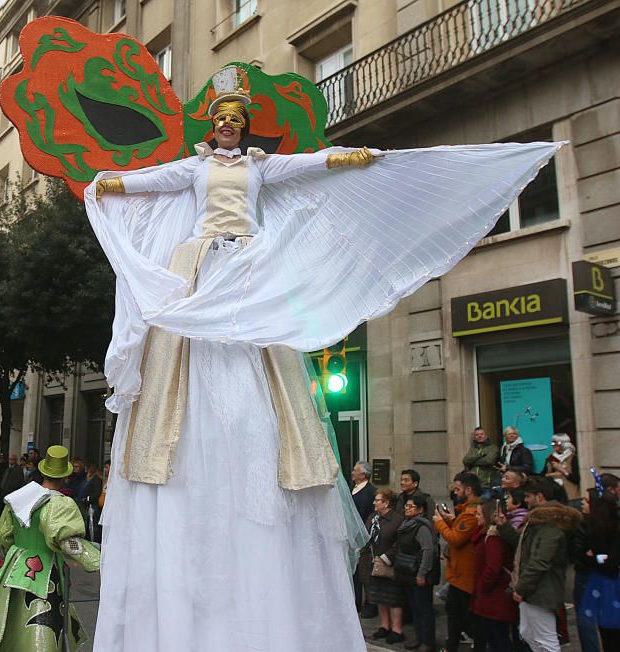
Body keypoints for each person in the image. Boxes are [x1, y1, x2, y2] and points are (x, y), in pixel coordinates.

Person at [88, 66, 560, 650]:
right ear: (213, 127)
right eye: (222, 122)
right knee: (179, 374)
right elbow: (154, 181)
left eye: (237, 122)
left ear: (245, 128)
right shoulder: (195, 167)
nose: (230, 129)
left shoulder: (261, 166)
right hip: (202, 268)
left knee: (267, 382)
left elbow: (305, 166)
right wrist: (112, 184)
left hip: (250, 274)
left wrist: (348, 158)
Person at [0, 445, 100, 651]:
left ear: (42, 471)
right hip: (43, 572)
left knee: (11, 620)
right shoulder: (60, 504)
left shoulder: (20, 498)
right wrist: (98, 560)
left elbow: (5, 535)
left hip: (14, 566)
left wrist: (12, 556)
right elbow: (67, 541)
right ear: (65, 476)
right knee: (41, 622)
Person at [496, 476, 581, 652]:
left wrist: (521, 588)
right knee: (528, 633)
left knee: (546, 639)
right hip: (533, 589)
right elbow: (523, 545)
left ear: (540, 496)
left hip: (542, 591)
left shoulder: (550, 525)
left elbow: (540, 561)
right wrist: (504, 527)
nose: (525, 501)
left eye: (528, 496)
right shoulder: (538, 522)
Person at [433, 471, 482, 652]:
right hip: (459, 575)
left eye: (458, 488)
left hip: (465, 575)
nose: (455, 492)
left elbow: (455, 538)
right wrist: (451, 520)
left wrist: (440, 523)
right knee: (454, 613)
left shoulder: (471, 514)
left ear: (468, 490)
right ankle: (451, 646)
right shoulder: (466, 512)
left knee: (465, 616)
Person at [572, 485, 619, 652]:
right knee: (604, 632)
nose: (582, 504)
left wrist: (596, 557)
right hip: (598, 585)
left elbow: (611, 564)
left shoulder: (615, 530)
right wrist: (597, 557)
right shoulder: (588, 527)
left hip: (612, 586)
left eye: (586, 501)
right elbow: (581, 554)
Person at [470, 498, 518, 652]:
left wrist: (482, 587)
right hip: (491, 597)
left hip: (494, 597)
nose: (476, 517)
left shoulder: (494, 538)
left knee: (498, 639)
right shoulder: (486, 535)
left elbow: (494, 568)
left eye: (479, 514)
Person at [395, 494, 439, 652]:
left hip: (418, 572)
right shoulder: (406, 524)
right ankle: (419, 637)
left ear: (420, 510)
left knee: (424, 608)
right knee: (414, 607)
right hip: (407, 571)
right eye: (406, 506)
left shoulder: (422, 527)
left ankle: (428, 641)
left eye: (411, 506)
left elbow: (428, 551)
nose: (407, 509)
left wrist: (422, 573)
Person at [364, 489, 406, 645]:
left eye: (378, 500)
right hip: (374, 563)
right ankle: (384, 626)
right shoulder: (374, 518)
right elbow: (366, 535)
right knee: (379, 597)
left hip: (390, 563)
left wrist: (386, 557)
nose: (374, 502)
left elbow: (400, 543)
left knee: (393, 598)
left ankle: (397, 630)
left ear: (386, 503)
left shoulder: (398, 520)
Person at [351, 461, 377, 617]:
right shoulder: (352, 489)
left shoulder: (371, 492)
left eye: (355, 471)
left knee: (365, 572)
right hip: (352, 535)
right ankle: (356, 601)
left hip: (365, 537)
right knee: (355, 572)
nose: (352, 473)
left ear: (363, 474)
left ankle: (369, 604)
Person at [542, 434, 580, 507]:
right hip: (554, 493)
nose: (554, 445)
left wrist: (562, 470)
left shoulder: (573, 458)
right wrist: (550, 475)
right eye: (553, 443)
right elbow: (544, 474)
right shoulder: (551, 457)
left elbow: (576, 478)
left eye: (557, 443)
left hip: (570, 494)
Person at [463, 427, 499, 491]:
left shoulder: (493, 448)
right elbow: (465, 460)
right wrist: (480, 455)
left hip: (486, 484)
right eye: (477, 435)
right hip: (473, 483)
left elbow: (488, 461)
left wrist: (472, 461)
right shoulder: (473, 448)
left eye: (481, 434)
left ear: (486, 435)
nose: (479, 436)